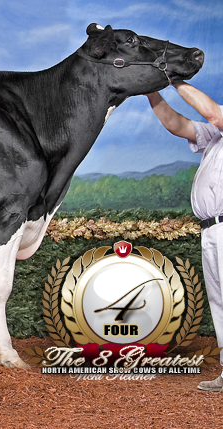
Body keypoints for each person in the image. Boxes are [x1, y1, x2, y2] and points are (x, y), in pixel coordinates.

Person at [147, 83, 223, 391]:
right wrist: (151, 90)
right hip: (211, 229)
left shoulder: (219, 122)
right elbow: (175, 124)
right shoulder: (217, 137)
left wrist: (175, 79)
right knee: (219, 303)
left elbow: (212, 113)